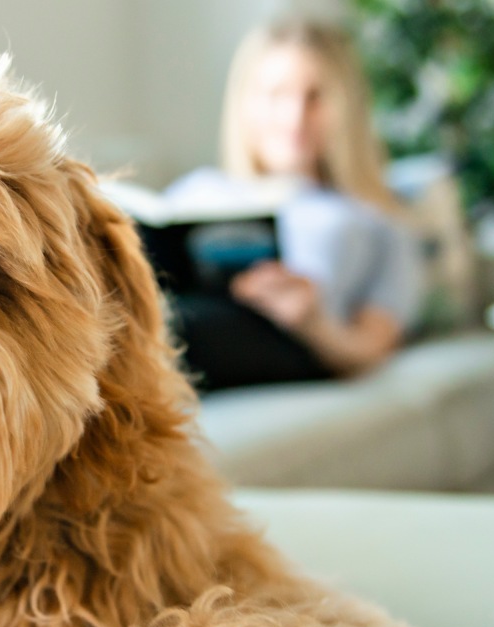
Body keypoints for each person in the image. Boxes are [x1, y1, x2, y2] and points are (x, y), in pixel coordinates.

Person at [164, 16, 423, 390]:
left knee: (168, 327)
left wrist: (313, 322)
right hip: (174, 314)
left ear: (346, 107)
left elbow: (372, 345)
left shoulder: (375, 218)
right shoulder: (196, 191)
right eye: (276, 95)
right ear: (245, 103)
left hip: (286, 340)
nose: (295, 117)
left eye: (315, 96)